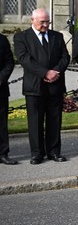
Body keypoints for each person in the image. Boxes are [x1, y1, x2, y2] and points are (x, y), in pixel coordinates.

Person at [13, 9, 70, 163]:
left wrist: (56, 71)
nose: (45, 25)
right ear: (32, 20)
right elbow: (25, 59)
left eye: (47, 21)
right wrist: (45, 73)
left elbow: (65, 57)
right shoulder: (21, 37)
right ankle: (37, 153)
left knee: (54, 120)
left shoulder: (57, 36)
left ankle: (54, 152)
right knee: (35, 121)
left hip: (55, 86)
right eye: (42, 22)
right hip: (35, 86)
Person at [0, 34, 14, 165]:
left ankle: (3, 153)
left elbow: (9, 62)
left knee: (2, 124)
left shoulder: (2, 39)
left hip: (0, 88)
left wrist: (1, 78)